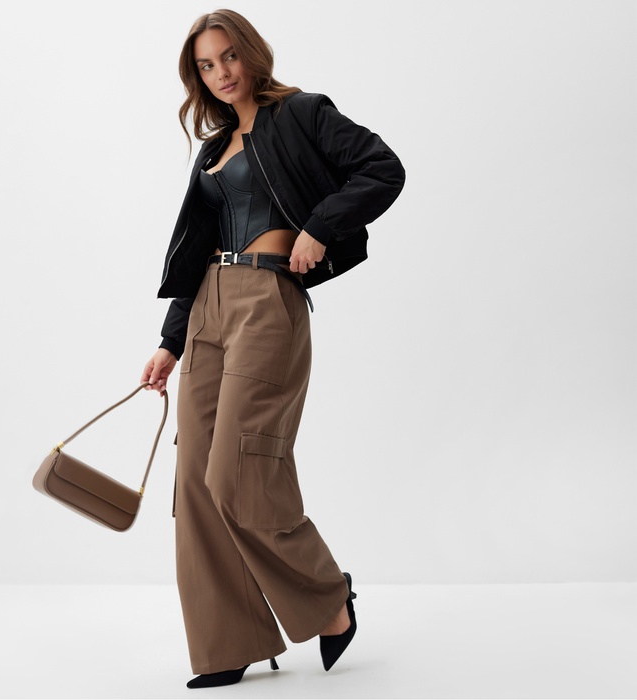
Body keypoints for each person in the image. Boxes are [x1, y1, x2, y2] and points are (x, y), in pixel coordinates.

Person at [140, 9, 405, 689]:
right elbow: (198, 248)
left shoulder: (302, 114)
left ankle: (327, 597)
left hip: (266, 302)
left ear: (252, 53)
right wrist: (170, 341)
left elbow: (383, 169)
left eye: (229, 56)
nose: (221, 73)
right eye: (206, 65)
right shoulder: (212, 149)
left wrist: (319, 227)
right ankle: (227, 644)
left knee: (238, 470)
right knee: (195, 481)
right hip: (207, 308)